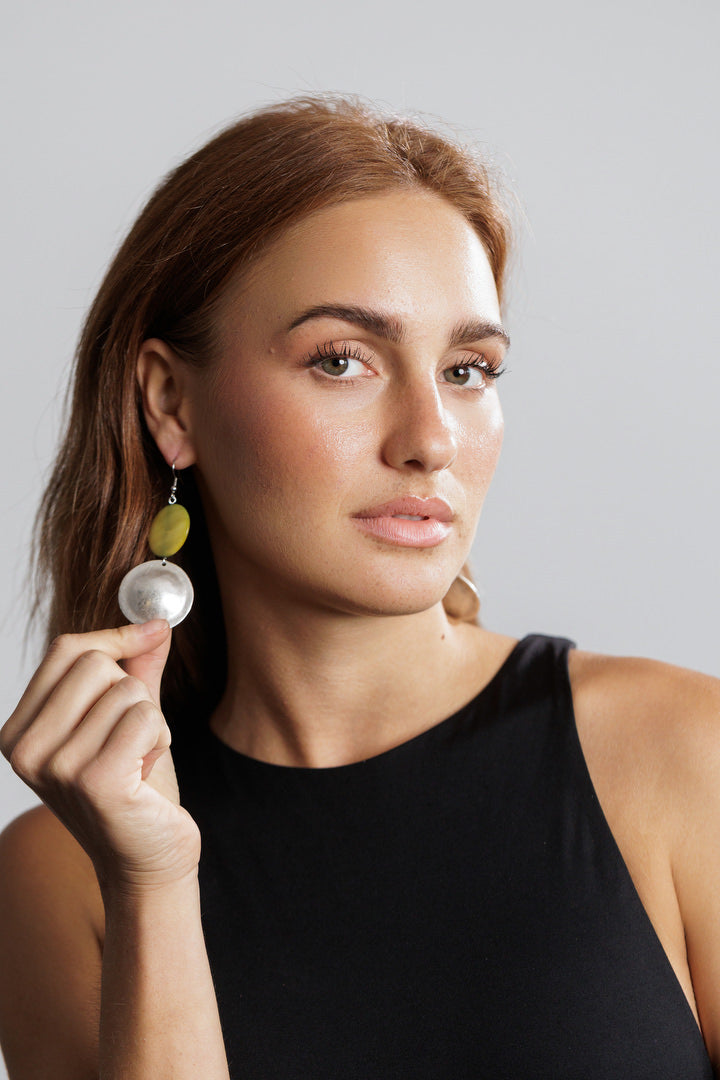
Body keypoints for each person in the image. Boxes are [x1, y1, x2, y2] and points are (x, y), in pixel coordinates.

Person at [0, 95, 718, 1080]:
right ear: (172, 404)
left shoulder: (682, 758)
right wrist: (154, 887)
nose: (430, 440)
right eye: (342, 361)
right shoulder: (61, 872)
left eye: (468, 370)